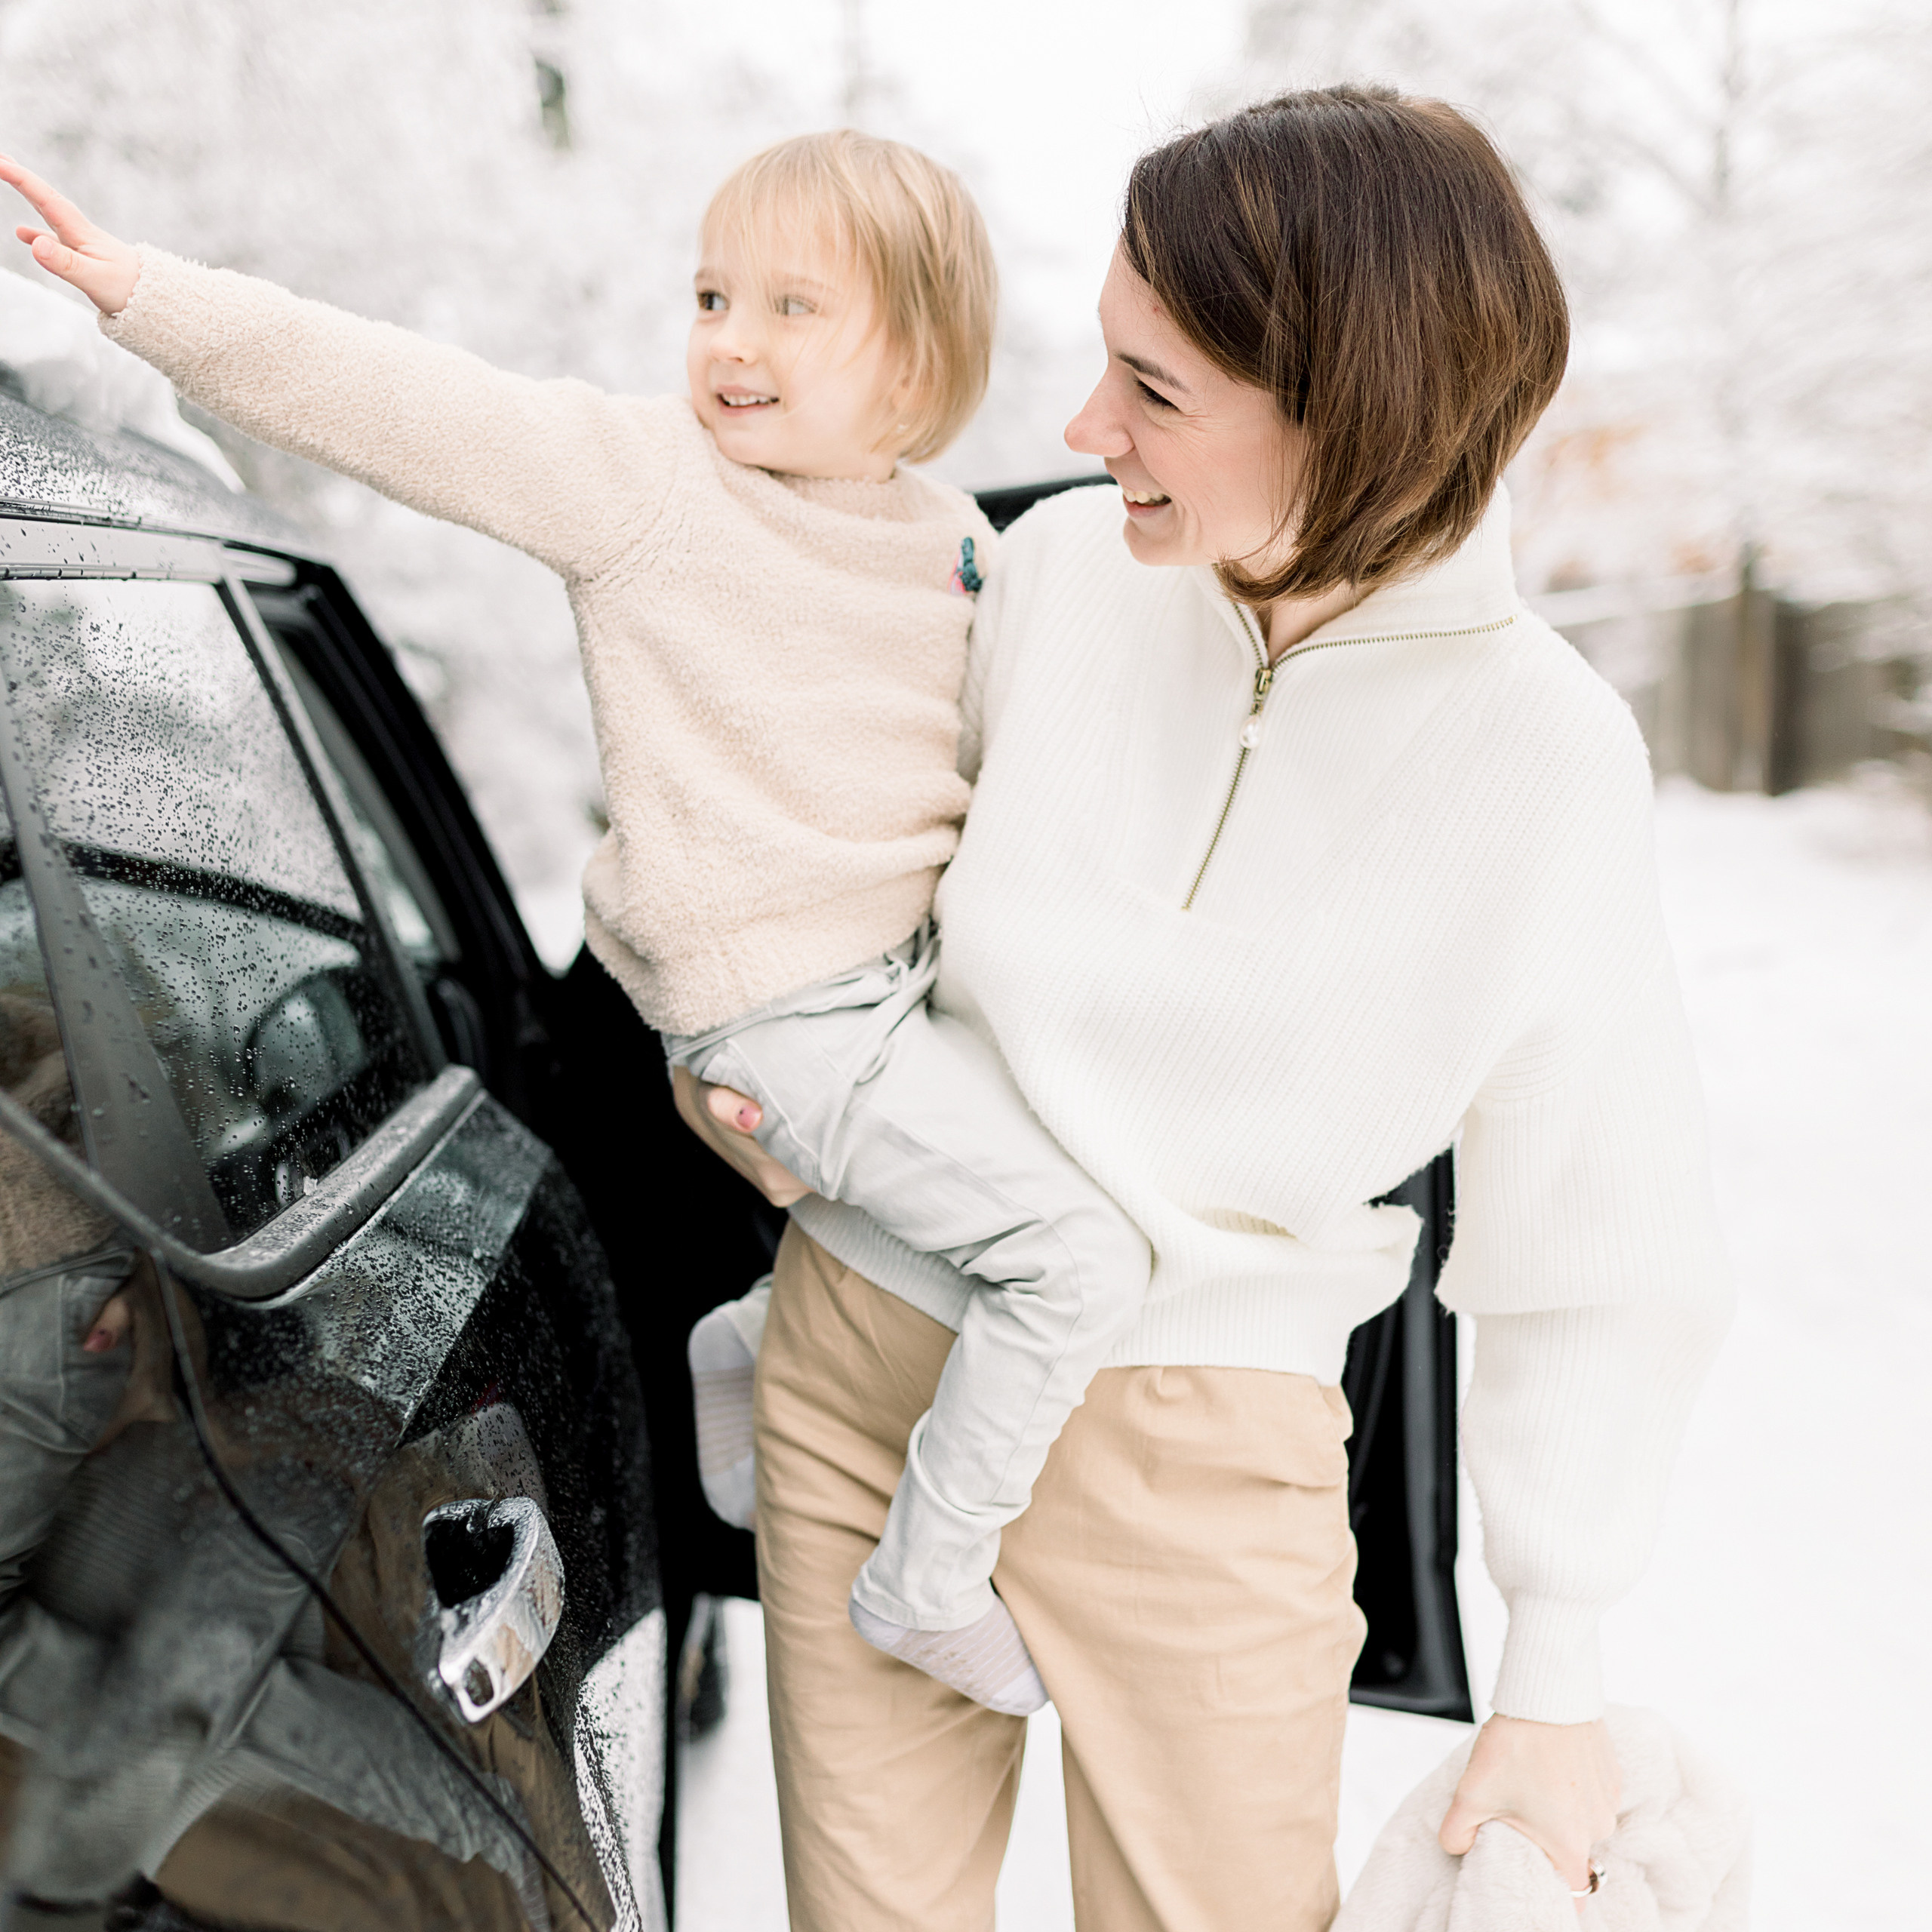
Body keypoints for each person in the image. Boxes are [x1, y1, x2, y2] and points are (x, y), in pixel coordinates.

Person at [673, 85, 1734, 1932]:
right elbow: (839, 839)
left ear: (1356, 414)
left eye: (1152, 391)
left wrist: (1548, 1668)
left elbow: (1596, 1240)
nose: (1086, 432)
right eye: (1103, 366)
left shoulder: (1543, 759)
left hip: (1200, 1450)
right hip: (870, 1357)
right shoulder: (1059, 571)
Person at [0, 128, 1152, 1716]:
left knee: (998, 1207)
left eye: (790, 307)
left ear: (917, 361)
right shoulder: (652, 488)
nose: (728, 340)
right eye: (708, 294)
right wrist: (144, 297)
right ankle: (927, 1580)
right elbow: (407, 401)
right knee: (1076, 1254)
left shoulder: (951, 538)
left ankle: (742, 1347)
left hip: (892, 1000)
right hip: (783, 1007)